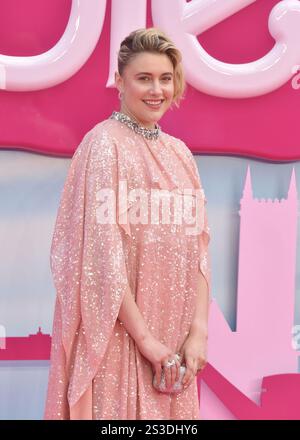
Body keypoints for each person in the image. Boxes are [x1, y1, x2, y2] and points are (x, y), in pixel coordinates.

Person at [44, 27, 211, 420]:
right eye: (144, 78)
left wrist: (198, 332)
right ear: (120, 82)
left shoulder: (181, 154)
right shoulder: (104, 146)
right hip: (119, 338)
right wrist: (147, 341)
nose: (157, 90)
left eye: (165, 78)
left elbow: (200, 248)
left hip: (175, 339)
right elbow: (102, 262)